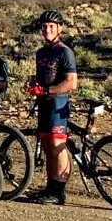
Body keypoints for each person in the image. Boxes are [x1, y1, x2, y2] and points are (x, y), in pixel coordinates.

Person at [28, 10, 77, 206]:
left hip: (59, 103)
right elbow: (41, 78)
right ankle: (50, 188)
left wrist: (47, 89)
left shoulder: (64, 51)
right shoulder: (41, 52)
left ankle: (59, 191)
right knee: (48, 147)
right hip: (44, 104)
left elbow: (71, 83)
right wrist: (33, 86)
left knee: (57, 147)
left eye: (51, 26)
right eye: (44, 26)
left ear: (59, 29)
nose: (47, 29)